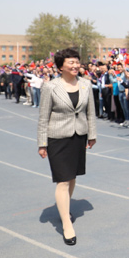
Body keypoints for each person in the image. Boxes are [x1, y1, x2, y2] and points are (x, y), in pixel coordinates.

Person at [36, 48, 97, 246]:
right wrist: (42, 143)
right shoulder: (50, 87)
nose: (75, 65)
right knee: (62, 180)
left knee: (71, 177)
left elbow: (90, 112)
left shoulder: (86, 84)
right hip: (57, 138)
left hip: (79, 137)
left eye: (77, 62)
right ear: (60, 66)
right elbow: (43, 117)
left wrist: (92, 134)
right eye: (71, 62)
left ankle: (65, 207)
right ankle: (66, 224)